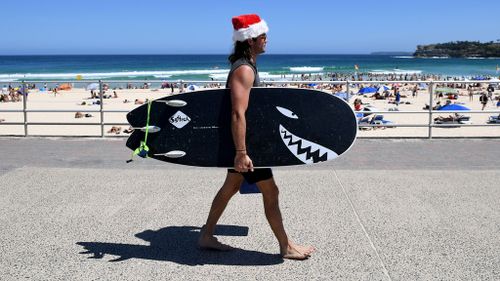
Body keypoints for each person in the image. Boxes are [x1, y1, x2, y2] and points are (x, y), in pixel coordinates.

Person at [198, 14, 314, 260]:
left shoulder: (247, 65)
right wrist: (241, 153)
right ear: (250, 40)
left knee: (230, 187)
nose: (266, 40)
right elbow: (237, 113)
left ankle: (206, 235)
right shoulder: (244, 69)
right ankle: (286, 246)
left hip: (247, 145)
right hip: (247, 147)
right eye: (262, 36)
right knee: (271, 192)